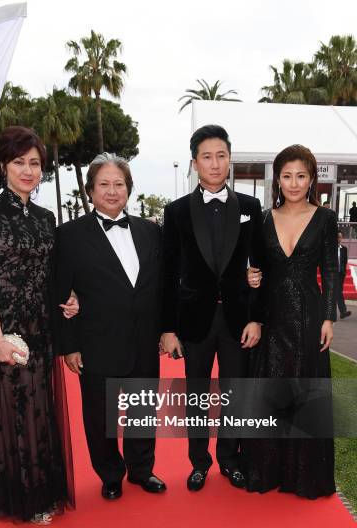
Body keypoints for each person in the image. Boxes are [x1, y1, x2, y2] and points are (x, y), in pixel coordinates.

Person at [0, 126, 77, 524]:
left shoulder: (47, 218)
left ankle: (41, 491)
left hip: (42, 328)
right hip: (5, 329)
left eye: (34, 163)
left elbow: (52, 275)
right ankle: (18, 499)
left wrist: (69, 298)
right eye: (19, 162)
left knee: (38, 412)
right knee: (9, 414)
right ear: (3, 166)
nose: (28, 170)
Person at [56, 153, 166, 501]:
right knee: (99, 415)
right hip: (97, 341)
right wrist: (69, 345)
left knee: (143, 409)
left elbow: (160, 287)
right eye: (104, 184)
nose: (112, 191)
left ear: (129, 189)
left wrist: (166, 329)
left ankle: (141, 470)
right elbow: (59, 293)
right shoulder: (69, 236)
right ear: (90, 190)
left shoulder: (151, 231)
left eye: (119, 184)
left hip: (144, 339)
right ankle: (110, 474)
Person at [160, 125, 264, 492]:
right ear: (194, 163)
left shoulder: (251, 208)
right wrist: (168, 328)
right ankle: (199, 463)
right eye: (207, 156)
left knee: (236, 394)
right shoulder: (175, 213)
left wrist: (256, 317)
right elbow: (167, 272)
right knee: (196, 397)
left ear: (229, 159)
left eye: (221, 155)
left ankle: (229, 460)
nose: (215, 163)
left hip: (239, 320)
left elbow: (262, 265)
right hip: (195, 320)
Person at [246, 144, 337, 499]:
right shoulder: (264, 219)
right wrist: (251, 277)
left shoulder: (326, 219)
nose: (294, 183)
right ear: (277, 180)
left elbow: (330, 270)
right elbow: (257, 268)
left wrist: (329, 316)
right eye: (287, 176)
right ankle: (266, 470)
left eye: (301, 176)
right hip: (272, 317)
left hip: (309, 314)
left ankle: (304, 476)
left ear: (312, 178)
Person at [337, 231, 351, 319]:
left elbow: (344, 261)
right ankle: (343, 311)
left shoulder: (344, 249)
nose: (339, 239)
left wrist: (343, 272)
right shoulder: (330, 248)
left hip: (340, 274)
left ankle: (323, 311)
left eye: (340, 237)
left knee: (337, 292)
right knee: (338, 292)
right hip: (332, 274)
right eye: (338, 237)